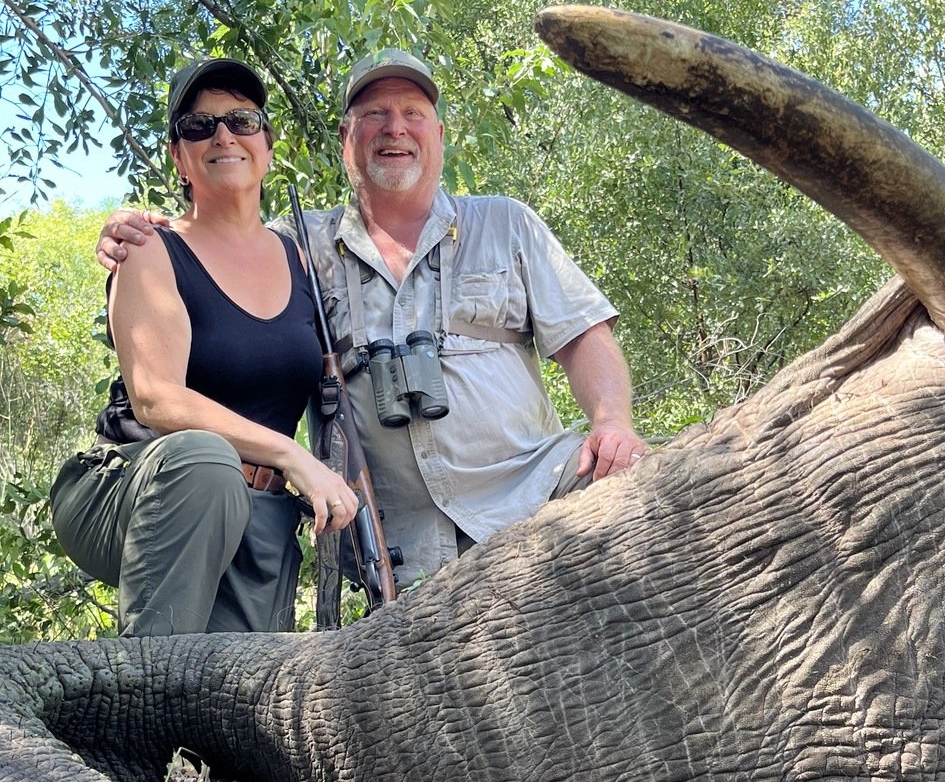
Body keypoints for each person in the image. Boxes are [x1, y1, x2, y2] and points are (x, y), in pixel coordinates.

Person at [96, 46, 647, 589]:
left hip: (538, 491)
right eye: (374, 115)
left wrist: (612, 421)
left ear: (439, 135)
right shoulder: (295, 247)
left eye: (413, 114)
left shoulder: (506, 224)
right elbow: (213, 240)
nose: (395, 129)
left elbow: (584, 336)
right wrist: (137, 231)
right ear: (345, 140)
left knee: (655, 506)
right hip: (400, 547)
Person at [51, 57, 358, 635]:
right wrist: (293, 457)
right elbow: (156, 401)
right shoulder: (149, 248)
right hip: (133, 487)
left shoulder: (308, 261)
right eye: (199, 125)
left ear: (266, 145)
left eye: (242, 120)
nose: (223, 135)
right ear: (180, 157)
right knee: (207, 463)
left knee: (231, 699)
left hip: (253, 514)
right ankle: (139, 698)